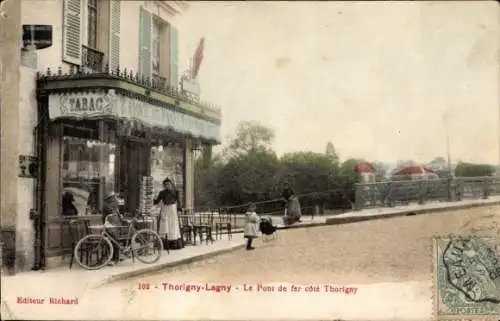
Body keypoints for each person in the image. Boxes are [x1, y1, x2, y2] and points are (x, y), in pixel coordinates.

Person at [154, 178, 183, 250]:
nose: (167, 186)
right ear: (164, 185)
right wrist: (152, 199)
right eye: (166, 185)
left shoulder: (176, 192)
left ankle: (174, 244)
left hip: (173, 210)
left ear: (171, 184)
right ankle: (165, 244)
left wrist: (179, 209)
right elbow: (157, 201)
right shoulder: (162, 193)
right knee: (165, 227)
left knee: (173, 226)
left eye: (169, 184)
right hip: (165, 210)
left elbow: (179, 201)